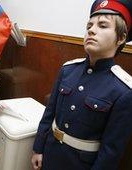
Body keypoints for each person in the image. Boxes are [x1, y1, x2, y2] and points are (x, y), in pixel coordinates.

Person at [31, 0, 132, 169]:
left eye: (103, 25)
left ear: (121, 38)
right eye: (89, 26)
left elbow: (111, 151)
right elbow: (49, 113)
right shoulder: (68, 70)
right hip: (50, 154)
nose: (91, 30)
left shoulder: (123, 90)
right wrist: (38, 148)